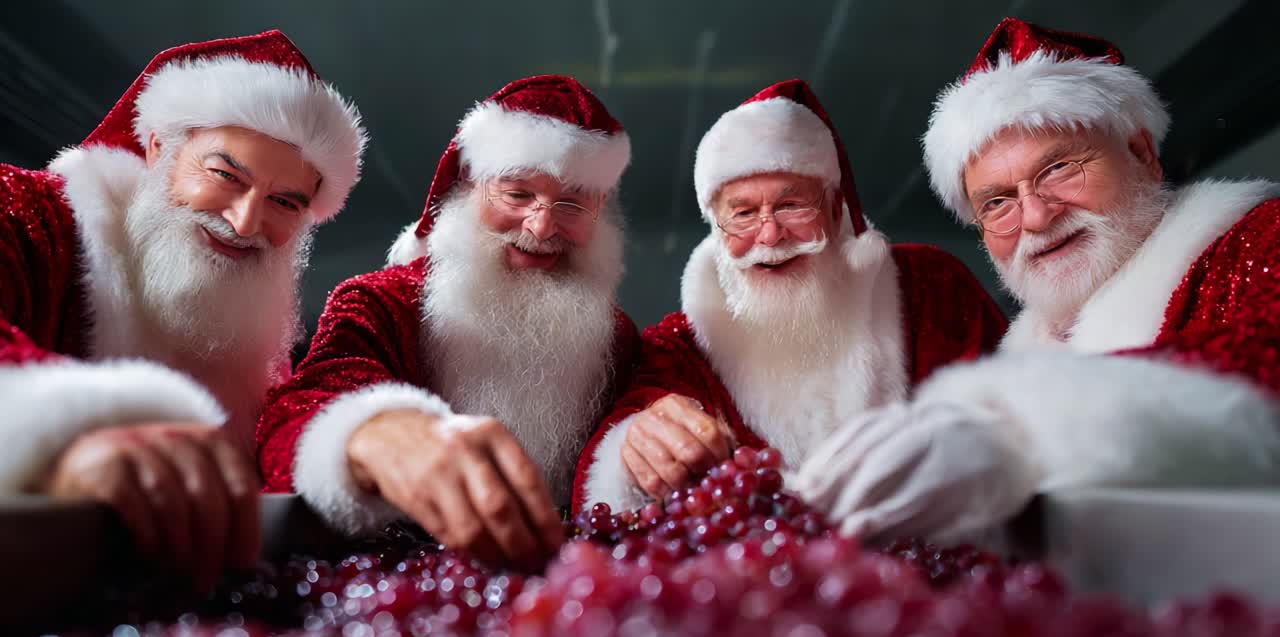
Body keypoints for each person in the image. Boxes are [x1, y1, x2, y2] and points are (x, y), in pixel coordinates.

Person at [795, 18, 1280, 543]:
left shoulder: (1259, 237)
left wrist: (1015, 426)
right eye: (997, 203)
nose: (1036, 217)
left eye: (1059, 170)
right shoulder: (1026, 347)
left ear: (1141, 155)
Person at [0, 30, 367, 588]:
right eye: (225, 175)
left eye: (283, 202)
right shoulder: (33, 214)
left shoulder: (258, 337)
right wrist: (64, 435)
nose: (246, 224)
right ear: (158, 148)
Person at [572, 79, 1007, 513]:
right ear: (715, 228)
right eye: (742, 214)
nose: (769, 234)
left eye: (791, 205)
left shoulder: (929, 285)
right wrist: (637, 443)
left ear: (836, 209)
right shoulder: (682, 348)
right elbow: (605, 463)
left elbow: (1011, 424)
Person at [257, 76, 639, 569]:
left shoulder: (617, 337)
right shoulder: (378, 303)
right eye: (517, 194)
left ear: (600, 209)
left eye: (571, 204)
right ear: (471, 185)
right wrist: (373, 434)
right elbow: (293, 417)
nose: (541, 227)